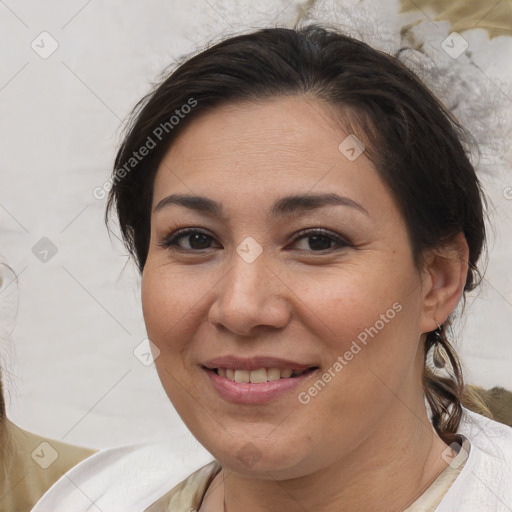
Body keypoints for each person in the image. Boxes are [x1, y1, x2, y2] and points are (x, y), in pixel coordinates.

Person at [32, 23, 512, 512]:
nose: (242, 307)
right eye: (195, 239)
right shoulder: (95, 497)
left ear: (437, 279)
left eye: (316, 241)